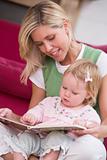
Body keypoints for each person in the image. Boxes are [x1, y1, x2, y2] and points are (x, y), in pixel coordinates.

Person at [0, 0, 107, 159]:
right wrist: (12, 117)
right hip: (42, 140)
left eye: (51, 37)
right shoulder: (42, 66)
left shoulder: (100, 60)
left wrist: (91, 130)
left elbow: (106, 124)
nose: (47, 48)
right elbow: (33, 123)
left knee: (92, 150)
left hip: (75, 143)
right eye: (40, 44)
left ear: (66, 26)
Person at [0, 59, 105, 160]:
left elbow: (94, 125)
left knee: (56, 136)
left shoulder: (87, 112)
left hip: (60, 148)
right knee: (24, 137)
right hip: (39, 139)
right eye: (64, 88)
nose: (67, 94)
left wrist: (85, 124)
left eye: (74, 93)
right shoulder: (52, 102)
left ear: (88, 95)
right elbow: (39, 110)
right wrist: (32, 116)